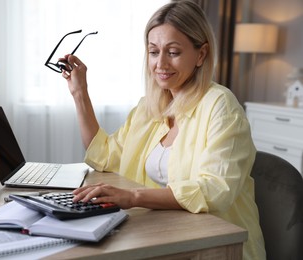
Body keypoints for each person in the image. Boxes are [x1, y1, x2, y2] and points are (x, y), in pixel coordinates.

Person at [59, 1, 265, 259]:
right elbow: (105, 157)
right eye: (154, 52)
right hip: (164, 232)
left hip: (217, 244)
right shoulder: (150, 106)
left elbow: (215, 190)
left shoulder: (221, 106)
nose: (160, 64)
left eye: (174, 52)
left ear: (201, 55)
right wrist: (80, 92)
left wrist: (133, 197)